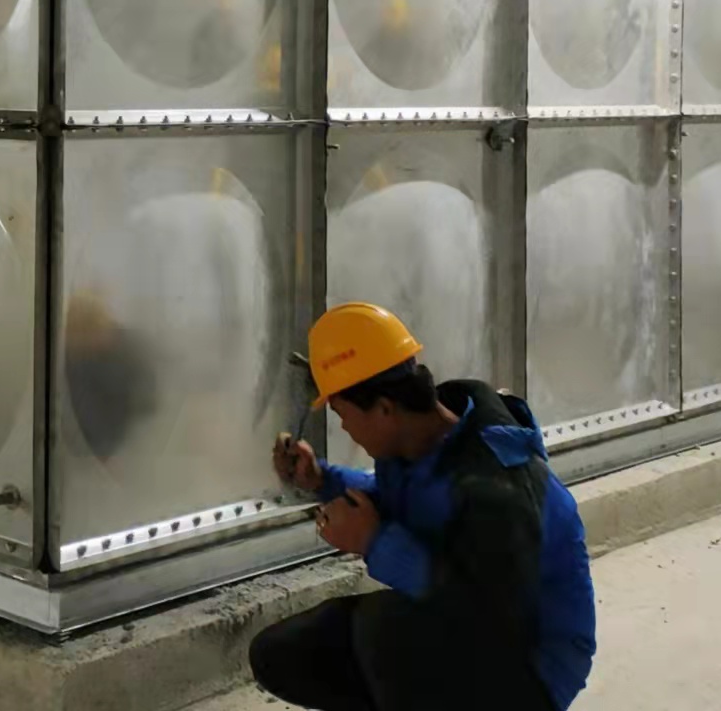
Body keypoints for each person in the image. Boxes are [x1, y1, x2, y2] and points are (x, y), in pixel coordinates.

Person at [248, 303, 595, 711]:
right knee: (284, 652)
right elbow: (413, 497)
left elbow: (493, 611)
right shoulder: (421, 439)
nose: (344, 427)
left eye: (342, 414)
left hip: (533, 664)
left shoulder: (498, 486)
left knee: (387, 634)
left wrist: (377, 543)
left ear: (384, 409)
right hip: (475, 623)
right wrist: (322, 480)